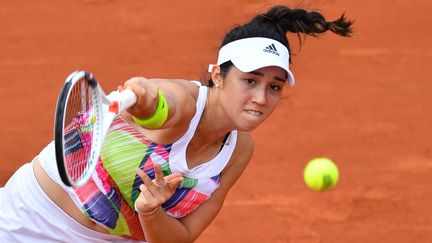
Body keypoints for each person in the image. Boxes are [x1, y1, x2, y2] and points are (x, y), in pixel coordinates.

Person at [0, 5, 353, 243]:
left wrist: (151, 212)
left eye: (274, 86)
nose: (261, 98)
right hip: (25, 219)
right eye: (250, 80)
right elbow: (157, 106)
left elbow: (180, 237)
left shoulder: (238, 152)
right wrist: (145, 95)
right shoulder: (183, 103)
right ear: (217, 75)